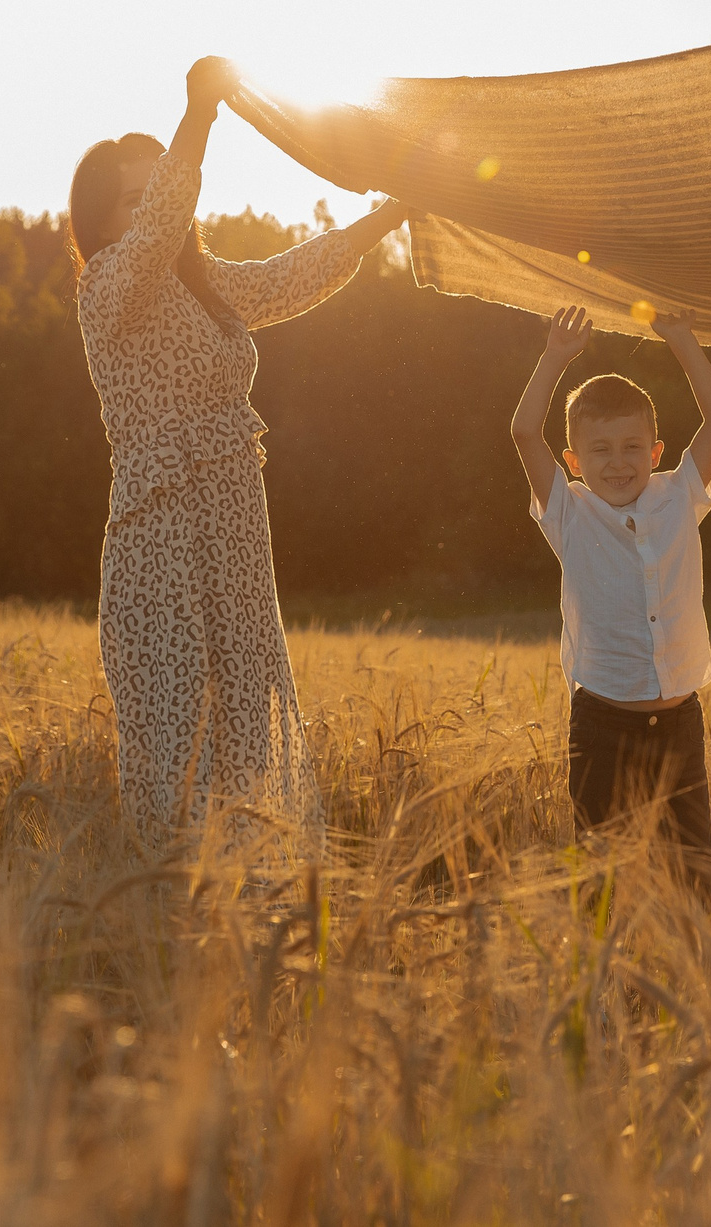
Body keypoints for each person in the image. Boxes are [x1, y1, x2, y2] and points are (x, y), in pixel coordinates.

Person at [69, 56, 410, 856]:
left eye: (165, 188)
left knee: (247, 731)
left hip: (235, 544)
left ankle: (244, 924)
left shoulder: (202, 282)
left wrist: (383, 220)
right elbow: (160, 230)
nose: (161, 206)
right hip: (164, 547)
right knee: (179, 738)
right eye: (138, 196)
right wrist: (198, 116)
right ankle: (168, 933)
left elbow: (287, 278)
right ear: (103, 219)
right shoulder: (108, 289)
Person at [512, 305, 711, 866]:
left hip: (680, 724)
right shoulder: (569, 510)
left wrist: (681, 338)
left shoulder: (679, 496)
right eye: (601, 451)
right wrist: (555, 356)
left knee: (692, 868)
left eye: (633, 447)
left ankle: (691, 957)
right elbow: (522, 431)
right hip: (602, 723)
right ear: (574, 460)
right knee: (599, 874)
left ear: (656, 452)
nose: (619, 463)